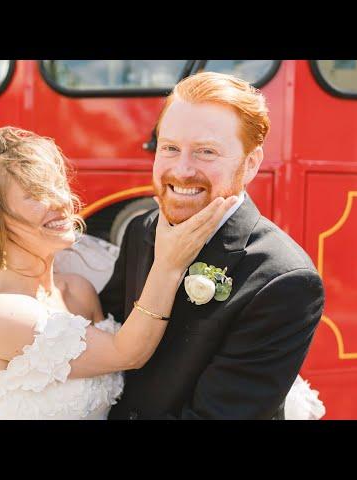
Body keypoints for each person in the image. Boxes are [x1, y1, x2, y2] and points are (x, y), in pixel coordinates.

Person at [0, 126, 238, 419]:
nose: (61, 201)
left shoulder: (79, 290)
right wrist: (170, 263)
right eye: (35, 194)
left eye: (57, 185)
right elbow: (127, 354)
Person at [99, 72, 326, 420]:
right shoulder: (142, 230)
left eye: (206, 152)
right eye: (170, 148)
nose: (182, 169)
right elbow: (109, 336)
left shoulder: (285, 279)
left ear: (250, 163)